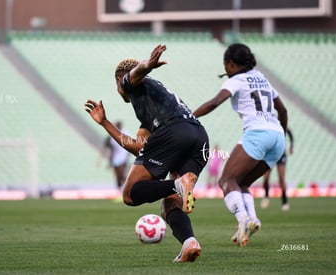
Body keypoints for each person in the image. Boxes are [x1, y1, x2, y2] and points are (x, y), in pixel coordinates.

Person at [85, 44, 209, 262]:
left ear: (119, 80)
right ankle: (189, 242)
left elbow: (135, 74)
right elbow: (138, 148)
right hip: (198, 137)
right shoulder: (149, 109)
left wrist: (147, 65)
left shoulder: (130, 83)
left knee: (130, 194)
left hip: (173, 131)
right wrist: (105, 122)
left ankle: (179, 185)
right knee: (170, 202)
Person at [193, 43, 288, 247]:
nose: (226, 70)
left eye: (226, 65)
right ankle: (251, 220)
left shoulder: (236, 80)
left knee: (226, 181)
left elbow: (214, 103)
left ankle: (244, 219)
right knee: (242, 182)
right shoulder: (262, 78)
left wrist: (189, 116)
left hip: (257, 134)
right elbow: (283, 110)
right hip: (278, 137)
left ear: (232, 63)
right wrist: (282, 135)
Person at [261, 128, 294, 211]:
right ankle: (266, 196)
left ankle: (284, 200)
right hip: (269, 154)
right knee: (266, 178)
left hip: (281, 154)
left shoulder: (281, 125)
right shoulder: (269, 126)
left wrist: (291, 146)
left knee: (281, 178)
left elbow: (289, 133)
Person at [97, 121, 130, 192]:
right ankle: (119, 190)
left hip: (123, 158)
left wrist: (127, 157)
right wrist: (109, 161)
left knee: (122, 175)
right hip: (116, 158)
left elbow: (130, 146)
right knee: (118, 176)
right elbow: (111, 149)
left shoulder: (125, 134)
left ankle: (126, 189)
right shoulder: (112, 135)